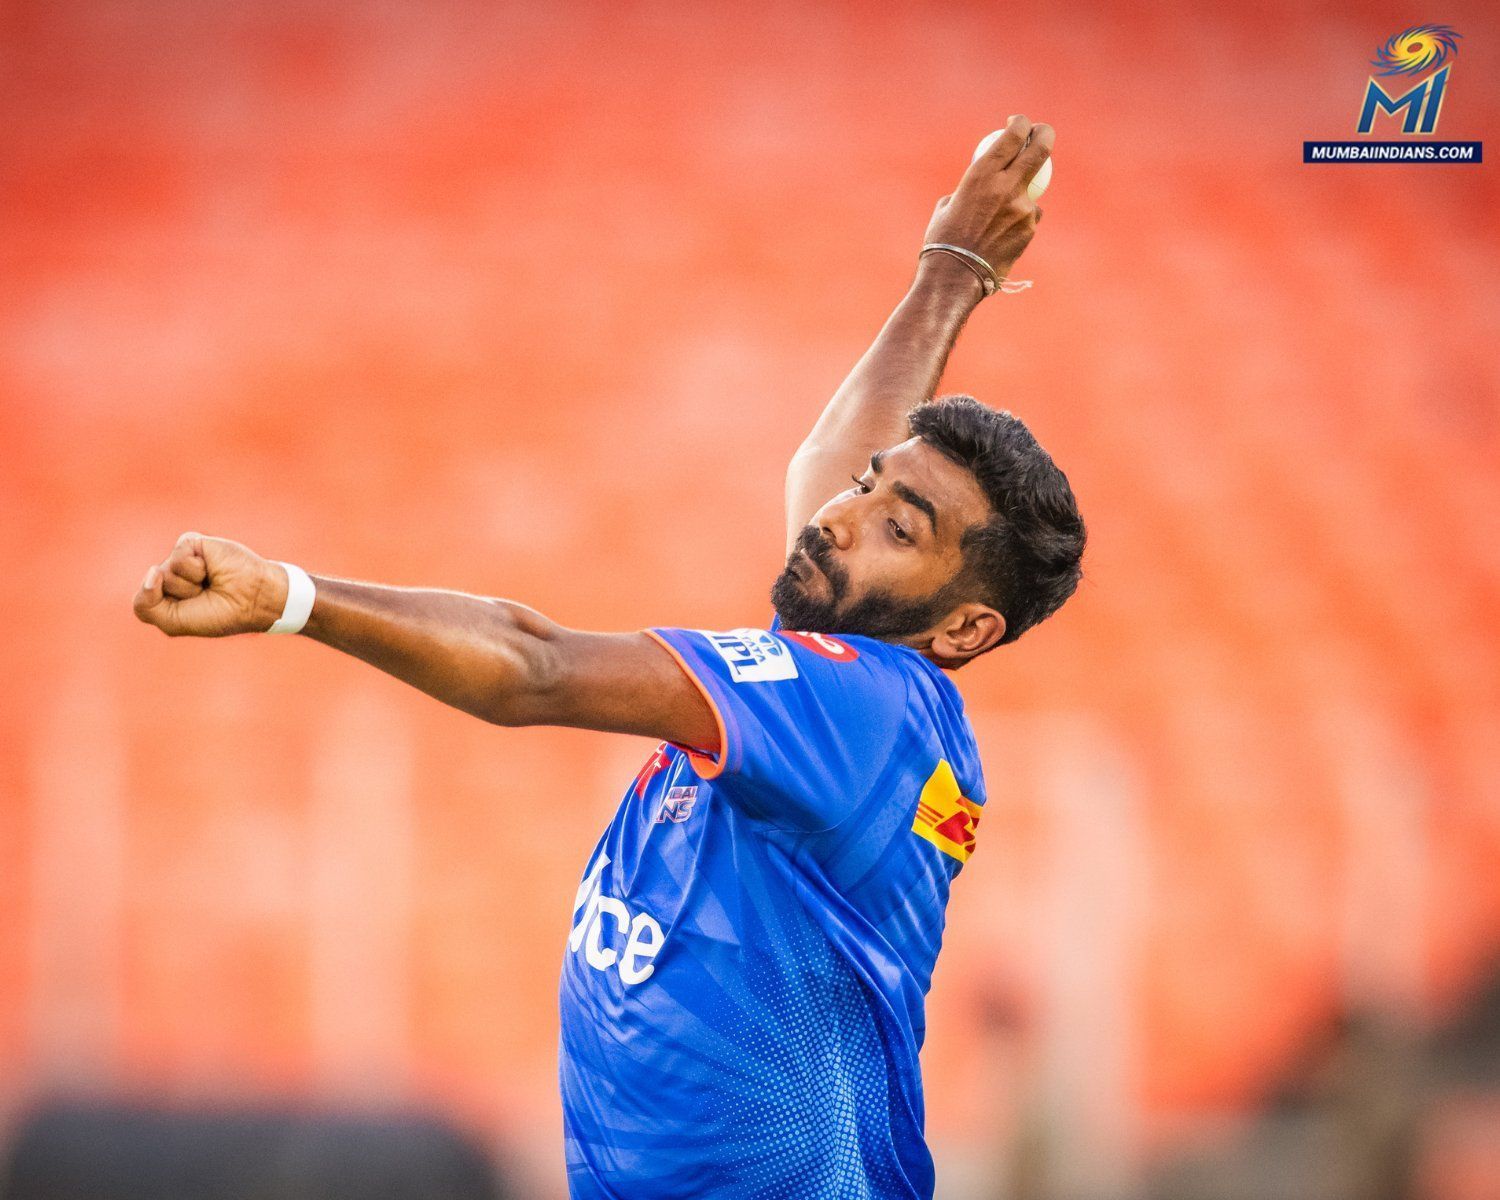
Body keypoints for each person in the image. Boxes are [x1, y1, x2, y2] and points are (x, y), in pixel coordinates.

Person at [132, 114, 1084, 1200]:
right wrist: (951, 269)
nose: (842, 514)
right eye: (871, 485)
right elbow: (832, 463)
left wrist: (292, 599)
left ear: (964, 630)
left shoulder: (856, 714)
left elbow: (531, 666)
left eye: (899, 528)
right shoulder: (839, 680)